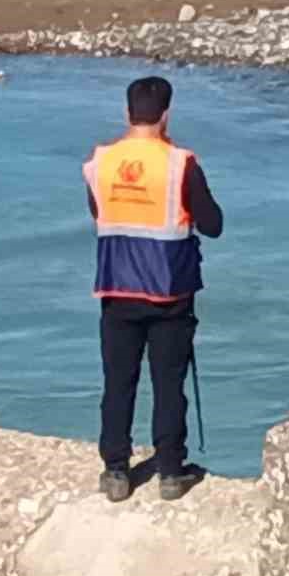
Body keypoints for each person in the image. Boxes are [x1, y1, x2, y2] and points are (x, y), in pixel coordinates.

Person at [83, 76, 223, 502]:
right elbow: (213, 225)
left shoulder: (100, 162)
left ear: (127, 113)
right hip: (169, 293)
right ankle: (170, 472)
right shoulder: (181, 163)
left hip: (116, 288)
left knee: (117, 381)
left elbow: (99, 212)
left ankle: (115, 471)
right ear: (166, 114)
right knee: (168, 383)